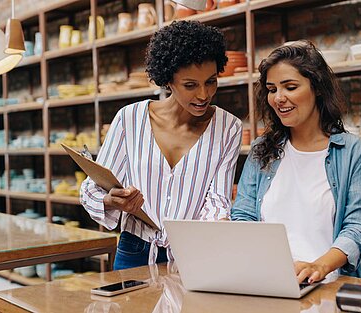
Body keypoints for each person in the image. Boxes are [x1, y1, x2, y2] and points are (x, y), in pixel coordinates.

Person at [81, 20, 242, 270]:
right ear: (168, 80)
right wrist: (113, 201)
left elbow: (218, 199)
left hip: (195, 254)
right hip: (134, 250)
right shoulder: (129, 119)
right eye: (190, 85)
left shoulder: (228, 127)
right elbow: (92, 188)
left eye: (210, 81)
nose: (203, 94)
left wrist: (220, 229)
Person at [231, 40, 361, 283]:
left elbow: (356, 228)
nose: (278, 98)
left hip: (326, 283)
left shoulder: (351, 151)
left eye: (290, 87)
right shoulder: (261, 149)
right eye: (272, 89)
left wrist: (318, 267)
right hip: (268, 282)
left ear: (316, 87)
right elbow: (243, 216)